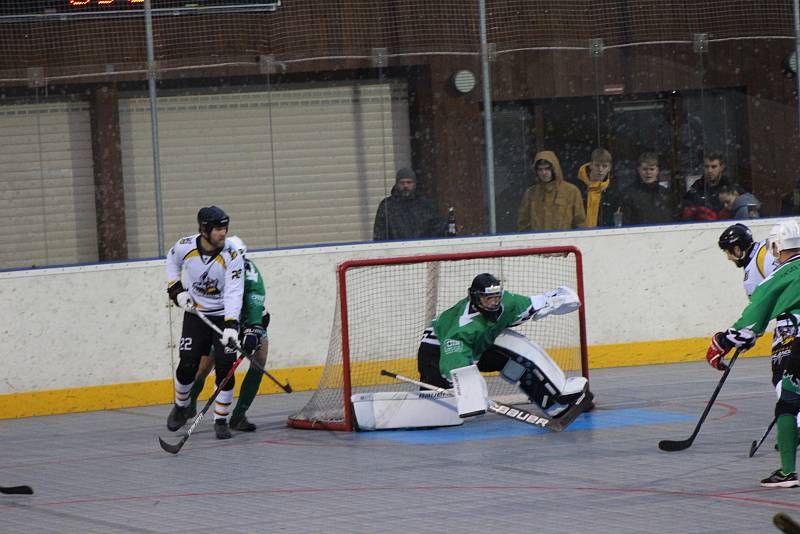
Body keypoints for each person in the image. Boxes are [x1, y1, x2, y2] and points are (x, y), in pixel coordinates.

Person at [417, 273, 593, 423]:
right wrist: (469, 390)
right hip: (436, 350)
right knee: (435, 409)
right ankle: (426, 405)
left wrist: (559, 299)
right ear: (475, 297)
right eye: (488, 298)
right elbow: (454, 361)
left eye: (496, 297)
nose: (493, 303)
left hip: (481, 345)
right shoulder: (464, 326)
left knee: (517, 359)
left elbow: (539, 301)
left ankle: (554, 403)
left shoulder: (508, 302)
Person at [705, 220, 800, 488]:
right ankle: (791, 436)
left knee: (789, 399)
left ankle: (786, 472)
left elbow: (752, 319)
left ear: (776, 246)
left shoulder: (778, 275)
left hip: (794, 336)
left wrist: (724, 340)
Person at [165, 206, 245, 440]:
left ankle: (221, 420)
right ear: (205, 229)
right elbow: (171, 262)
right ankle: (182, 406)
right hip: (195, 315)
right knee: (188, 363)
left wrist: (231, 325)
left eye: (225, 228)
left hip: (222, 317)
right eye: (219, 228)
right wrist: (176, 290)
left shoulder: (232, 255)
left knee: (225, 367)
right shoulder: (184, 246)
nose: (224, 233)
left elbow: (234, 292)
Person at [187, 235, 269, 432]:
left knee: (260, 358)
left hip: (247, 319)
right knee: (205, 366)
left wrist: (254, 328)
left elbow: (255, 298)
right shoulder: (215, 269)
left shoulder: (250, 271)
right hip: (223, 322)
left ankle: (239, 416)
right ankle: (187, 408)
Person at [517, 151, 585, 232]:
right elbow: (523, 224)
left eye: (547, 168)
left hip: (564, 242)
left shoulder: (571, 191)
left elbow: (580, 223)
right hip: (539, 242)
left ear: (554, 169)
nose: (544, 173)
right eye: (540, 169)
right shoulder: (530, 194)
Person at [373, 167, 443, 241]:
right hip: (396, 250)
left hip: (422, 249)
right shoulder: (387, 206)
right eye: (402, 183)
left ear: (415, 184)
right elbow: (379, 235)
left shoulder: (426, 205)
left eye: (409, 182)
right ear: (397, 184)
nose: (405, 186)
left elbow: (437, 231)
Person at [718, 223, 777, 298]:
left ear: (737, 250)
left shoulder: (751, 276)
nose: (728, 258)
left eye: (727, 253)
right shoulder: (768, 244)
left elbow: (758, 307)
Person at [617, 152, 674, 226]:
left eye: (652, 169)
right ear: (638, 170)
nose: (648, 172)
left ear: (657, 171)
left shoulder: (666, 193)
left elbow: (672, 219)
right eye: (644, 169)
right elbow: (626, 224)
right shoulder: (628, 194)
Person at [680, 152, 732, 221]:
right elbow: (685, 209)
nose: (710, 170)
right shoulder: (697, 186)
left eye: (714, 167)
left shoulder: (730, 186)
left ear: (722, 167)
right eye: (707, 167)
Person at [574, 148, 616, 227]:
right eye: (597, 165)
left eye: (604, 166)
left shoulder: (613, 191)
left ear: (609, 168)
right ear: (590, 165)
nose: (600, 170)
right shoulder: (576, 188)